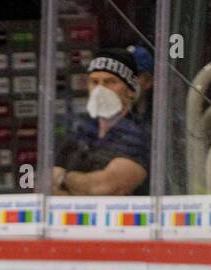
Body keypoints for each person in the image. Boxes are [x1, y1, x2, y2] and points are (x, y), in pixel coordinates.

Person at [53, 49, 151, 195]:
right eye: (94, 82)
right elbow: (46, 185)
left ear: (130, 90)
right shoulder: (80, 131)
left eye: (110, 82)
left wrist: (62, 179)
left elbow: (104, 188)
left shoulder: (139, 134)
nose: (100, 89)